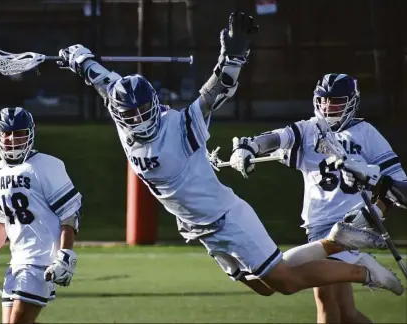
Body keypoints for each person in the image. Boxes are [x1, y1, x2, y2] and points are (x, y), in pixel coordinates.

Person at [57, 12, 402, 297]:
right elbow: (104, 82)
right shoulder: (123, 117)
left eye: (143, 111)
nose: (137, 120)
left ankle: (362, 270)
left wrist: (233, 57)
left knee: (283, 282)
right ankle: (336, 242)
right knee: (262, 287)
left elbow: (215, 91)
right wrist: (80, 59)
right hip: (196, 226)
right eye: (130, 115)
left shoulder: (180, 126)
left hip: (226, 217)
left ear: (155, 103)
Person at [228, 73, 406, 322]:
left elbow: (401, 187)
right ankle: (365, 269)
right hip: (318, 226)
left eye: (336, 101)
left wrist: (377, 207)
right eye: (324, 101)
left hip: (352, 226)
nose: (328, 107)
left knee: (315, 297)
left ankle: (364, 269)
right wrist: (251, 147)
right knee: (345, 312)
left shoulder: (366, 133)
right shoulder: (309, 129)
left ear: (352, 101)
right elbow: (278, 137)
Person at [0, 107, 82, 324]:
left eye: (19, 132)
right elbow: (1, 218)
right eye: (7, 133)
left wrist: (65, 254)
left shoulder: (46, 165)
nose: (13, 139)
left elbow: (69, 214)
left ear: (30, 133)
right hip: (17, 261)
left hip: (41, 261)